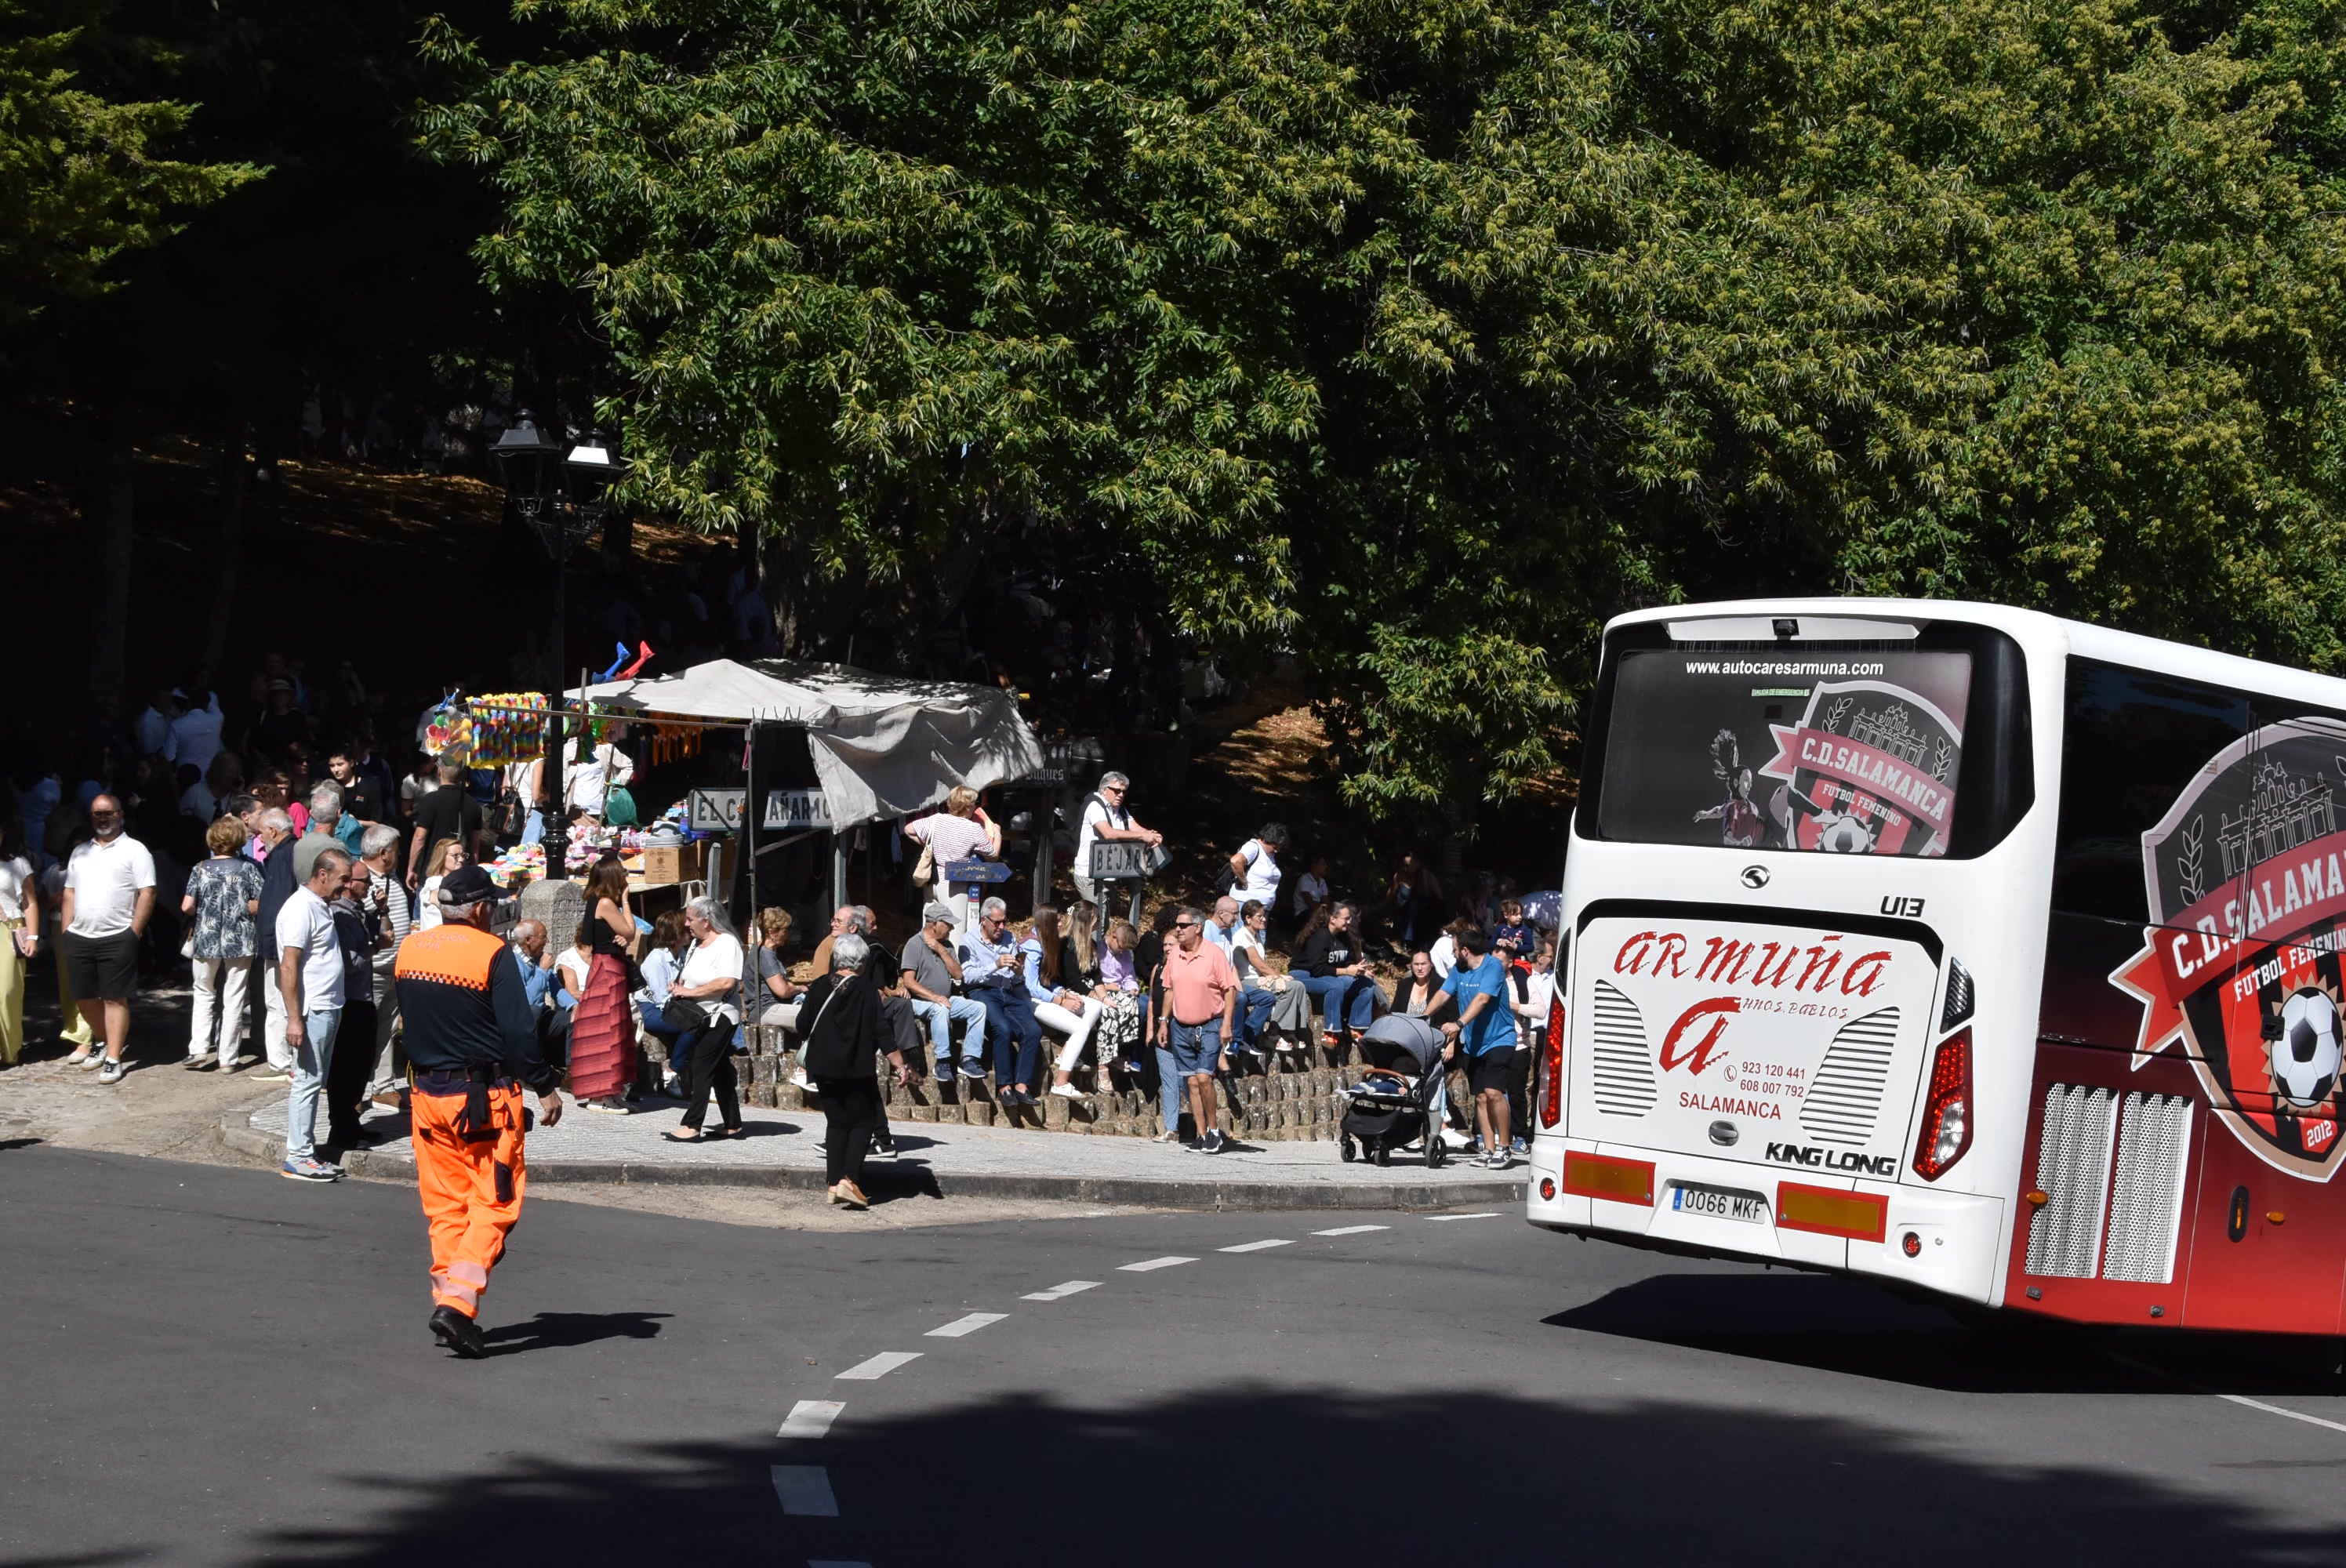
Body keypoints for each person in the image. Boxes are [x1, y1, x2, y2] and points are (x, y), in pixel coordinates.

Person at [392, 863, 566, 1359]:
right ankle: (456, 1306)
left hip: (428, 1098)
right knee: (494, 1203)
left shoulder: (410, 949)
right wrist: (545, 1086)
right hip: (484, 1100)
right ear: (482, 909)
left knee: (445, 1208)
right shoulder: (491, 952)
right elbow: (517, 1032)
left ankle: (452, 1304)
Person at [798, 932, 910, 1209]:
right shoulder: (867, 990)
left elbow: (802, 1024)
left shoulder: (819, 986)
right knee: (863, 1121)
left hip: (822, 1067)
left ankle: (834, 1183)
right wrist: (900, 1064)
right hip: (855, 1068)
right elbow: (881, 1031)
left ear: (837, 958)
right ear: (863, 962)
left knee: (836, 1122)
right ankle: (850, 1179)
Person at [58, 794, 155, 1085]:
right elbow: (69, 893)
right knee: (84, 998)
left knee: (115, 998)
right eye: (97, 814)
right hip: (80, 935)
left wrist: (134, 931)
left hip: (117, 935)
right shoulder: (80, 852)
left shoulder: (135, 850)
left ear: (120, 814)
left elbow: (147, 892)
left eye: (108, 813)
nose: (102, 819)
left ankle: (114, 1057)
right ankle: (102, 1041)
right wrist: (66, 930)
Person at [276, 846, 352, 1181]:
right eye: (342, 879)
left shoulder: (320, 906)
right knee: (307, 1082)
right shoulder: (300, 909)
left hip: (328, 1006)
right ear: (322, 874)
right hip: (313, 1010)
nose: (346, 887)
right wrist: (294, 1018)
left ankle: (306, 1150)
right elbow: (288, 965)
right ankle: (299, 1155)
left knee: (313, 1080)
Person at [180, 815, 263, 1070]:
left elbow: (187, 906)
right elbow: (260, 903)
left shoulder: (200, 868)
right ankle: (228, 1058)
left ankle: (198, 1049)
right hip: (240, 939)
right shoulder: (248, 869)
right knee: (234, 996)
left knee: (204, 992)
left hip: (207, 938)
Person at [1155, 906, 1239, 1152]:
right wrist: (1163, 1021)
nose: (1178, 930)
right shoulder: (1174, 956)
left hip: (1210, 1024)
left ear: (1198, 928)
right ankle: (1201, 1134)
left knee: (1204, 1078)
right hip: (1180, 1026)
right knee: (1191, 1082)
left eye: (1183, 926)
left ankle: (1214, 1131)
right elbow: (1169, 989)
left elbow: (1230, 990)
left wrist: (1227, 1024)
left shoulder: (1214, 954)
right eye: (1177, 925)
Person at [666, 895, 746, 1141]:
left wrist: (690, 991)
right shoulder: (695, 945)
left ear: (707, 920)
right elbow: (690, 976)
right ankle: (732, 1123)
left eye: (690, 919)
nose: (687, 924)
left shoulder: (727, 944)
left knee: (702, 1066)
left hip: (720, 1016)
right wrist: (679, 987)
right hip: (700, 1017)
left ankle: (692, 1125)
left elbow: (726, 982)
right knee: (720, 1068)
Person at [1440, 928, 1520, 1170]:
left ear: (1465, 950)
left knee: (1495, 1092)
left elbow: (1483, 999)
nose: (1453, 954)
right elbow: (1443, 994)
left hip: (1500, 1039)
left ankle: (1505, 1147)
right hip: (1473, 1044)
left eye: (1455, 949)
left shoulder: (1493, 966)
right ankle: (1488, 1148)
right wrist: (1421, 1015)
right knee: (1482, 1098)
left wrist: (1459, 1023)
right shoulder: (1459, 971)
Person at [567, 858, 638, 1112]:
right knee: (608, 1029)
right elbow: (630, 932)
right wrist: (627, 902)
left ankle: (610, 1090)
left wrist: (623, 934)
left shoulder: (595, 900)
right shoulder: (607, 903)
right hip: (609, 969)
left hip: (606, 965)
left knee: (612, 1028)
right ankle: (602, 1094)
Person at [324, 852, 383, 1152]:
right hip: (349, 1000)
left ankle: (352, 1125)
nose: (369, 885)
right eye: (364, 881)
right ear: (348, 884)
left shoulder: (358, 911)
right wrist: (372, 950)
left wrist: (379, 912)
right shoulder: (340, 915)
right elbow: (350, 961)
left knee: (361, 1065)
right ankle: (342, 1132)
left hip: (364, 997)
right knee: (346, 1069)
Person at [958, 896, 1043, 1102]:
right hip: (982, 991)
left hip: (1008, 990)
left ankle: (1022, 1086)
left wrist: (1019, 970)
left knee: (1033, 1030)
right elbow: (967, 976)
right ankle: (1004, 1086)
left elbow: (1017, 978)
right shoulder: (968, 940)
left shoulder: (1009, 938)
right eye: (997, 923)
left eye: (1004, 921)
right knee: (1002, 1029)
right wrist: (995, 964)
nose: (1001, 926)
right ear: (984, 920)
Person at [1027, 906, 1107, 1099]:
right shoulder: (1032, 946)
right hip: (1032, 1001)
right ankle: (1061, 1082)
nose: (1062, 924)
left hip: (1049, 995)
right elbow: (1031, 986)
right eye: (1058, 921)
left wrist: (1064, 992)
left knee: (1095, 1005)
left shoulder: (1049, 943)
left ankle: (1066, 1053)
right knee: (1080, 1028)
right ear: (1047, 923)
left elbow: (1049, 981)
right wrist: (1060, 1000)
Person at [901, 901, 986, 1082]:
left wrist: (941, 950)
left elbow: (958, 974)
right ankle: (942, 1062)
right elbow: (908, 981)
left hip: (946, 999)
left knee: (978, 1008)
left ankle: (970, 1059)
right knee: (940, 1009)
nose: (952, 928)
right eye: (947, 924)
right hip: (920, 1000)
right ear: (934, 924)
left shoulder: (946, 946)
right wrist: (934, 997)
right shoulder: (914, 944)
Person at [902, 786, 999, 931]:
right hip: (955, 884)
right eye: (974, 803)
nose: (975, 807)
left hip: (931, 881)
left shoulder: (936, 820)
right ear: (967, 807)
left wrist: (930, 846)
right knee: (955, 932)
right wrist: (997, 834)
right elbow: (992, 856)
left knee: (930, 930)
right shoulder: (973, 829)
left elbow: (908, 829)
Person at [249, 807, 300, 1080]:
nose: (260, 840)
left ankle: (281, 1063)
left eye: (261, 834)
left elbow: (280, 902)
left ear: (273, 831)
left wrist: (270, 942)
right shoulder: (288, 852)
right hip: (281, 941)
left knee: (277, 1001)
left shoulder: (283, 855)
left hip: (279, 943)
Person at [1070, 771, 1162, 913]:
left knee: (1102, 923)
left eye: (1124, 792)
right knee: (1096, 923)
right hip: (1089, 876)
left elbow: (1136, 827)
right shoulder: (1095, 806)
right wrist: (1142, 837)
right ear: (1104, 789)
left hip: (1107, 875)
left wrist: (1153, 835)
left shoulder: (1120, 811)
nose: (1121, 795)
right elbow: (1108, 833)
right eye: (1117, 791)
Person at [1295, 900, 1381, 1048]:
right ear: (1333, 919)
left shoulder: (1344, 937)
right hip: (1304, 975)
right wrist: (1346, 971)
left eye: (1350, 918)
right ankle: (1331, 1033)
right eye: (1346, 918)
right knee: (1335, 986)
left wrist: (1360, 969)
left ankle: (1356, 1026)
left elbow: (1346, 963)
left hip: (1327, 975)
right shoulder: (1320, 937)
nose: (1350, 921)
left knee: (1366, 984)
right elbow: (1317, 969)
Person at [1071, 905, 1143, 1072]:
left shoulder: (1125, 956)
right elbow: (1094, 974)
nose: (1122, 951)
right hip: (1101, 988)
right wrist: (1105, 987)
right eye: (1121, 947)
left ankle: (1122, 1049)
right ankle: (1108, 1058)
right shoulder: (1099, 948)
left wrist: (1132, 987)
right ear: (1113, 937)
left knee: (1133, 1003)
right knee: (1113, 1010)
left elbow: (1129, 976)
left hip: (1118, 989)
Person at [634, 910, 693, 1093]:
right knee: (692, 1026)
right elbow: (660, 998)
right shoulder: (656, 960)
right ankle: (672, 1071)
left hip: (675, 1004)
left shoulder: (682, 953)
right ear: (676, 934)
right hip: (651, 1009)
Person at [407, 761, 482, 887]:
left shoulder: (430, 800)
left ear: (439, 772)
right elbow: (475, 846)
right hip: (460, 874)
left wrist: (411, 869)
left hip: (432, 871)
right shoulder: (474, 805)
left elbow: (419, 837)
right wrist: (473, 871)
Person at [0, 815, 36, 1069]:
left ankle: (9, 1050)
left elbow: (30, 902)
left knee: (6, 993)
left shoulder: (17, 864)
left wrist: (33, 936)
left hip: (9, 930)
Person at [1226, 822, 1289, 913]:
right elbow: (1236, 861)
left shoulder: (1270, 855)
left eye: (1279, 848)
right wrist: (1243, 881)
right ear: (1267, 840)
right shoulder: (1253, 847)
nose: (1276, 851)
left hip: (1260, 910)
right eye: (1275, 847)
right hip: (1245, 905)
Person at [412, 837, 465, 930]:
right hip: (436, 940)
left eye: (463, 855)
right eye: (456, 856)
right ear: (442, 857)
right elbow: (443, 902)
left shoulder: (454, 882)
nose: (461, 860)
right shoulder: (435, 882)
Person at [1492, 898, 1538, 963]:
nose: (1520, 917)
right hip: (1501, 961)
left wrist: (1516, 946)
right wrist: (1499, 942)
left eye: (1521, 914)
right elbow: (1490, 944)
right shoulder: (1499, 928)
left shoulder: (1524, 929)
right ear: (1506, 915)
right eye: (1516, 914)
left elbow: (1530, 947)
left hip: (1519, 961)